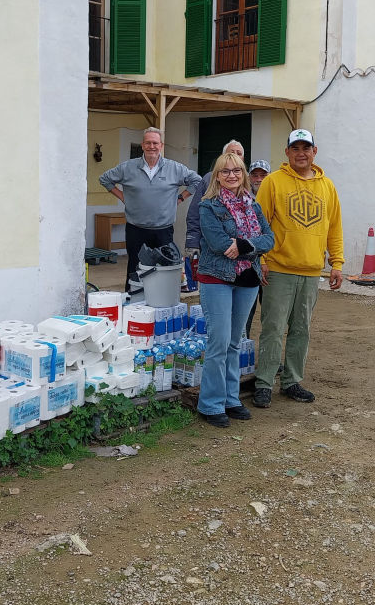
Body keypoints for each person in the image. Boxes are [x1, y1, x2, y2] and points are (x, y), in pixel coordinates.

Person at [252, 129, 344, 409]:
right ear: (287, 152)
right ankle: (264, 383)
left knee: (301, 329)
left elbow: (334, 227)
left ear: (314, 151)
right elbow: (258, 224)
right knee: (273, 328)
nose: (301, 153)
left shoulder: (327, 186)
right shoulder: (273, 183)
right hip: (278, 270)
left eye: (306, 148)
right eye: (296, 148)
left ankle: (291, 381)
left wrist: (337, 262)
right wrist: (261, 260)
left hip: (311, 271)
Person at [196, 153, 274, 428]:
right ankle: (210, 404)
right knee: (218, 342)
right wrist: (251, 245)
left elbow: (270, 238)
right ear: (217, 176)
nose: (231, 175)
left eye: (237, 171)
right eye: (225, 171)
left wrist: (242, 245)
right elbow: (218, 243)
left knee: (234, 342)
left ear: (243, 174)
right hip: (216, 277)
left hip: (247, 279)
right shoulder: (209, 206)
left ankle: (231, 398)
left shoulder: (254, 206)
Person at [99, 127, 201, 290]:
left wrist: (181, 198)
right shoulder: (128, 168)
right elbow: (105, 179)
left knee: (165, 268)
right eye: (148, 143)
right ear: (142, 145)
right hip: (136, 229)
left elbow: (197, 181)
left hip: (164, 230)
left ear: (161, 145)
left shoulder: (174, 168)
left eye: (155, 143)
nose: (151, 146)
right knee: (135, 269)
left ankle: (162, 302)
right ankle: (134, 302)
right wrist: (123, 197)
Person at [185, 140, 245, 253]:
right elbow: (194, 214)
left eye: (239, 153)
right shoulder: (208, 179)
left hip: (243, 254)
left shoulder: (248, 181)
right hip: (212, 250)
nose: (235, 156)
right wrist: (192, 242)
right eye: (231, 153)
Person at [245, 160, 271, 338]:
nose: (259, 179)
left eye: (263, 175)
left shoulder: (278, 197)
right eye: (255, 175)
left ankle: (269, 356)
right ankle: (241, 354)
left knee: (271, 315)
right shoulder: (242, 199)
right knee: (245, 312)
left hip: (272, 265)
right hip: (248, 263)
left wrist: (266, 260)